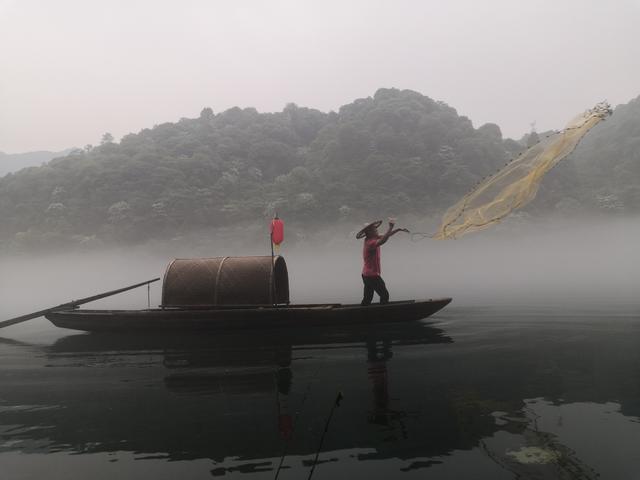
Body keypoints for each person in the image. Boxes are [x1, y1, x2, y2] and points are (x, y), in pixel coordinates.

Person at [356, 219, 408, 306]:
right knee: (384, 295)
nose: (376, 230)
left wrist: (398, 229)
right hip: (371, 275)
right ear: (369, 232)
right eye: (374, 229)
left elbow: (386, 235)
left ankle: (362, 314)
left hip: (366, 274)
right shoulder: (370, 242)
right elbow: (383, 240)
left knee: (368, 298)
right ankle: (383, 314)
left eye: (375, 229)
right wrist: (391, 227)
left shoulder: (372, 237)